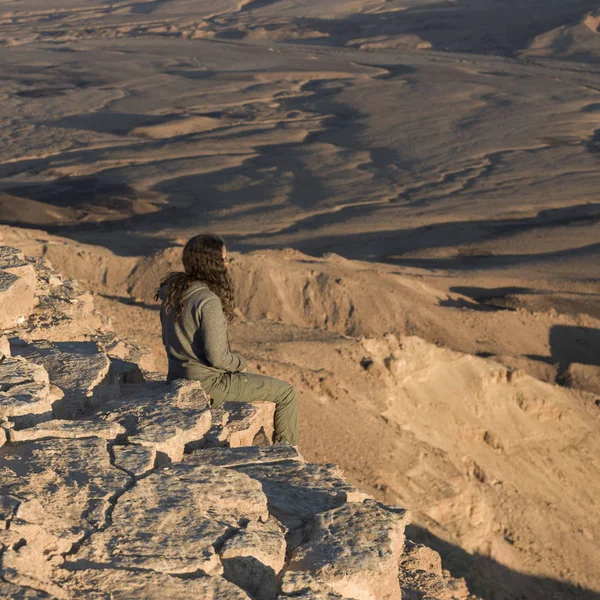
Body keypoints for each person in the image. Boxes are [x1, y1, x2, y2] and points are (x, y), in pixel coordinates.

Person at [156, 233, 299, 446]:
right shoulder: (207, 301)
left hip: (176, 379)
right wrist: (240, 362)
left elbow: (167, 341)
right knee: (287, 393)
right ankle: (287, 453)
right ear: (211, 263)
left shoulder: (173, 293)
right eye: (223, 259)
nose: (227, 263)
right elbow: (218, 358)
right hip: (208, 385)